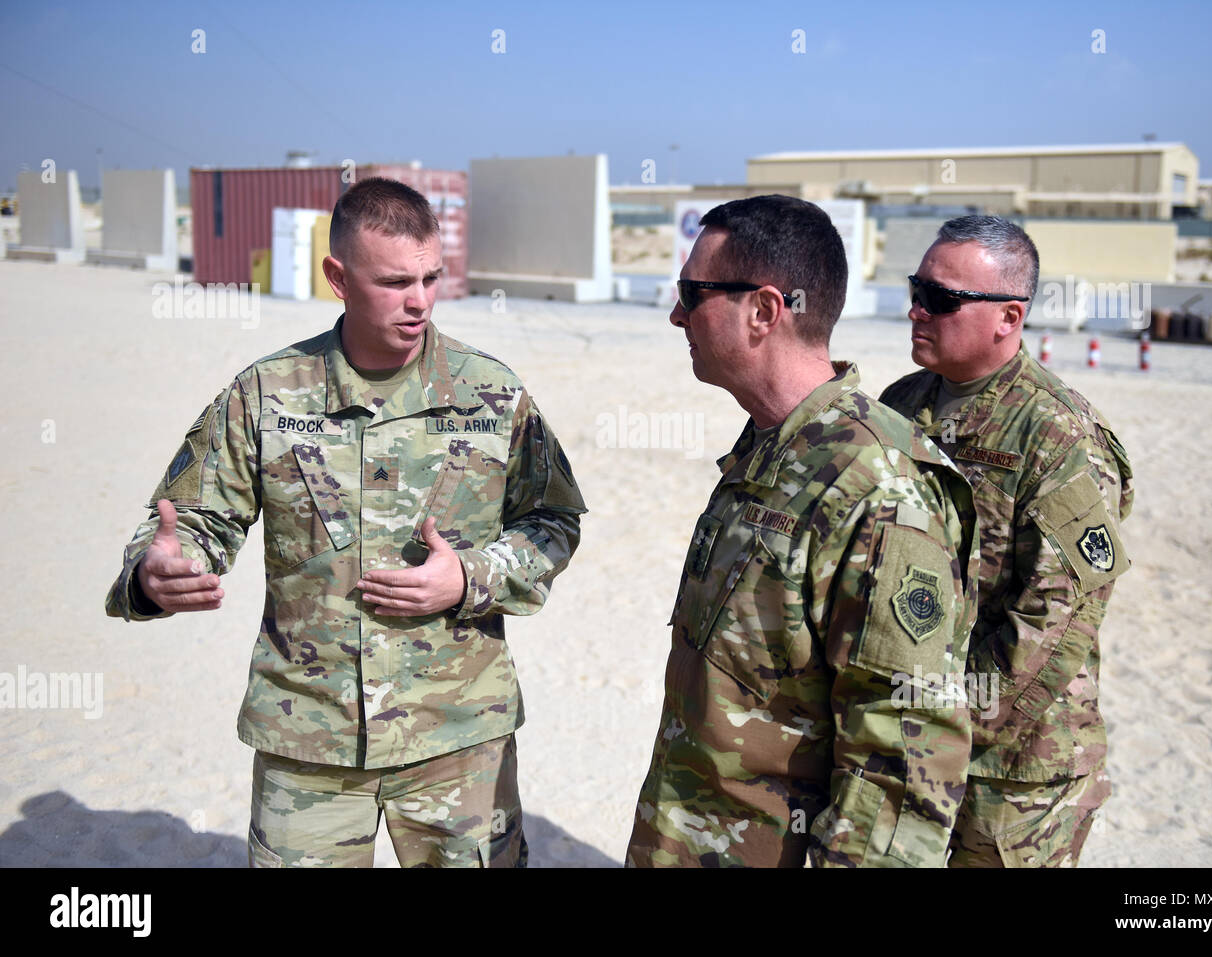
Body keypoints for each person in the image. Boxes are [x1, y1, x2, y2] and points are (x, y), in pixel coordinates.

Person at [105, 177, 586, 867]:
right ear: (338, 276)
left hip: (457, 736)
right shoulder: (267, 393)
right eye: (394, 281)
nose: (419, 300)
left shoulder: (494, 394)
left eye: (430, 277)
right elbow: (196, 519)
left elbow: (554, 520)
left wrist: (471, 577)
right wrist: (159, 570)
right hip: (309, 740)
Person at [625, 195, 979, 867]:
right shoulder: (772, 446)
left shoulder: (878, 487)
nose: (676, 314)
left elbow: (903, 752)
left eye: (692, 294)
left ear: (762, 311)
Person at [880, 215, 1133, 867]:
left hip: (1010, 773)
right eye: (916, 289)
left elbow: (1057, 619)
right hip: (901, 734)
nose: (916, 310)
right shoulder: (901, 405)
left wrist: (949, 726)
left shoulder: (1060, 438)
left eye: (940, 299)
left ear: (1008, 317)